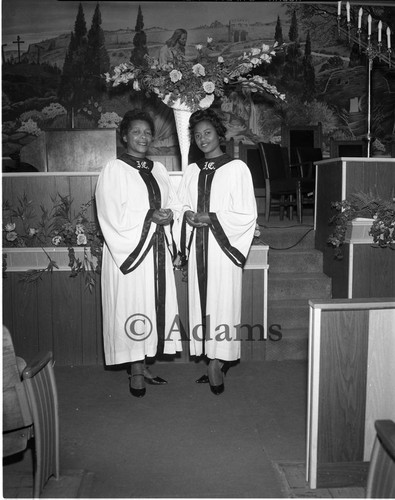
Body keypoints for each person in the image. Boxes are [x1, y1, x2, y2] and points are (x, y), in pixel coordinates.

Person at [95, 110, 182, 398]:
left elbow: (171, 204)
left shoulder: (158, 170)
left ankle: (143, 364)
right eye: (137, 132)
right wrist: (150, 218)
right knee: (132, 306)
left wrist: (168, 217)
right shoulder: (114, 169)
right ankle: (134, 370)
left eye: (147, 132)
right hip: (130, 254)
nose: (143, 137)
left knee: (149, 308)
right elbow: (111, 215)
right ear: (124, 136)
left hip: (156, 251)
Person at [176, 108, 257, 395]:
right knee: (203, 303)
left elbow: (246, 213)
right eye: (197, 135)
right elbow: (181, 204)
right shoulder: (191, 171)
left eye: (207, 133)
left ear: (219, 134)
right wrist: (187, 215)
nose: (202, 139)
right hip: (198, 245)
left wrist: (212, 217)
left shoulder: (237, 168)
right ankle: (212, 360)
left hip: (223, 247)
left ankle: (218, 361)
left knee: (222, 301)